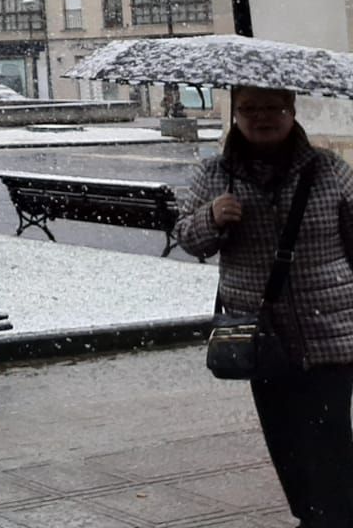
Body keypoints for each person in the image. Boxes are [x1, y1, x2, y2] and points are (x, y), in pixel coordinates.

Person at [174, 85, 353, 527]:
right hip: (256, 334)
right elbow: (189, 240)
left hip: (328, 330)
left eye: (273, 107)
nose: (262, 117)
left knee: (329, 442)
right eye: (249, 109)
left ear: (292, 111)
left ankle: (332, 519)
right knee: (286, 444)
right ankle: (311, 516)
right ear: (235, 115)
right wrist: (210, 218)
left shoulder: (329, 170)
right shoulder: (214, 175)